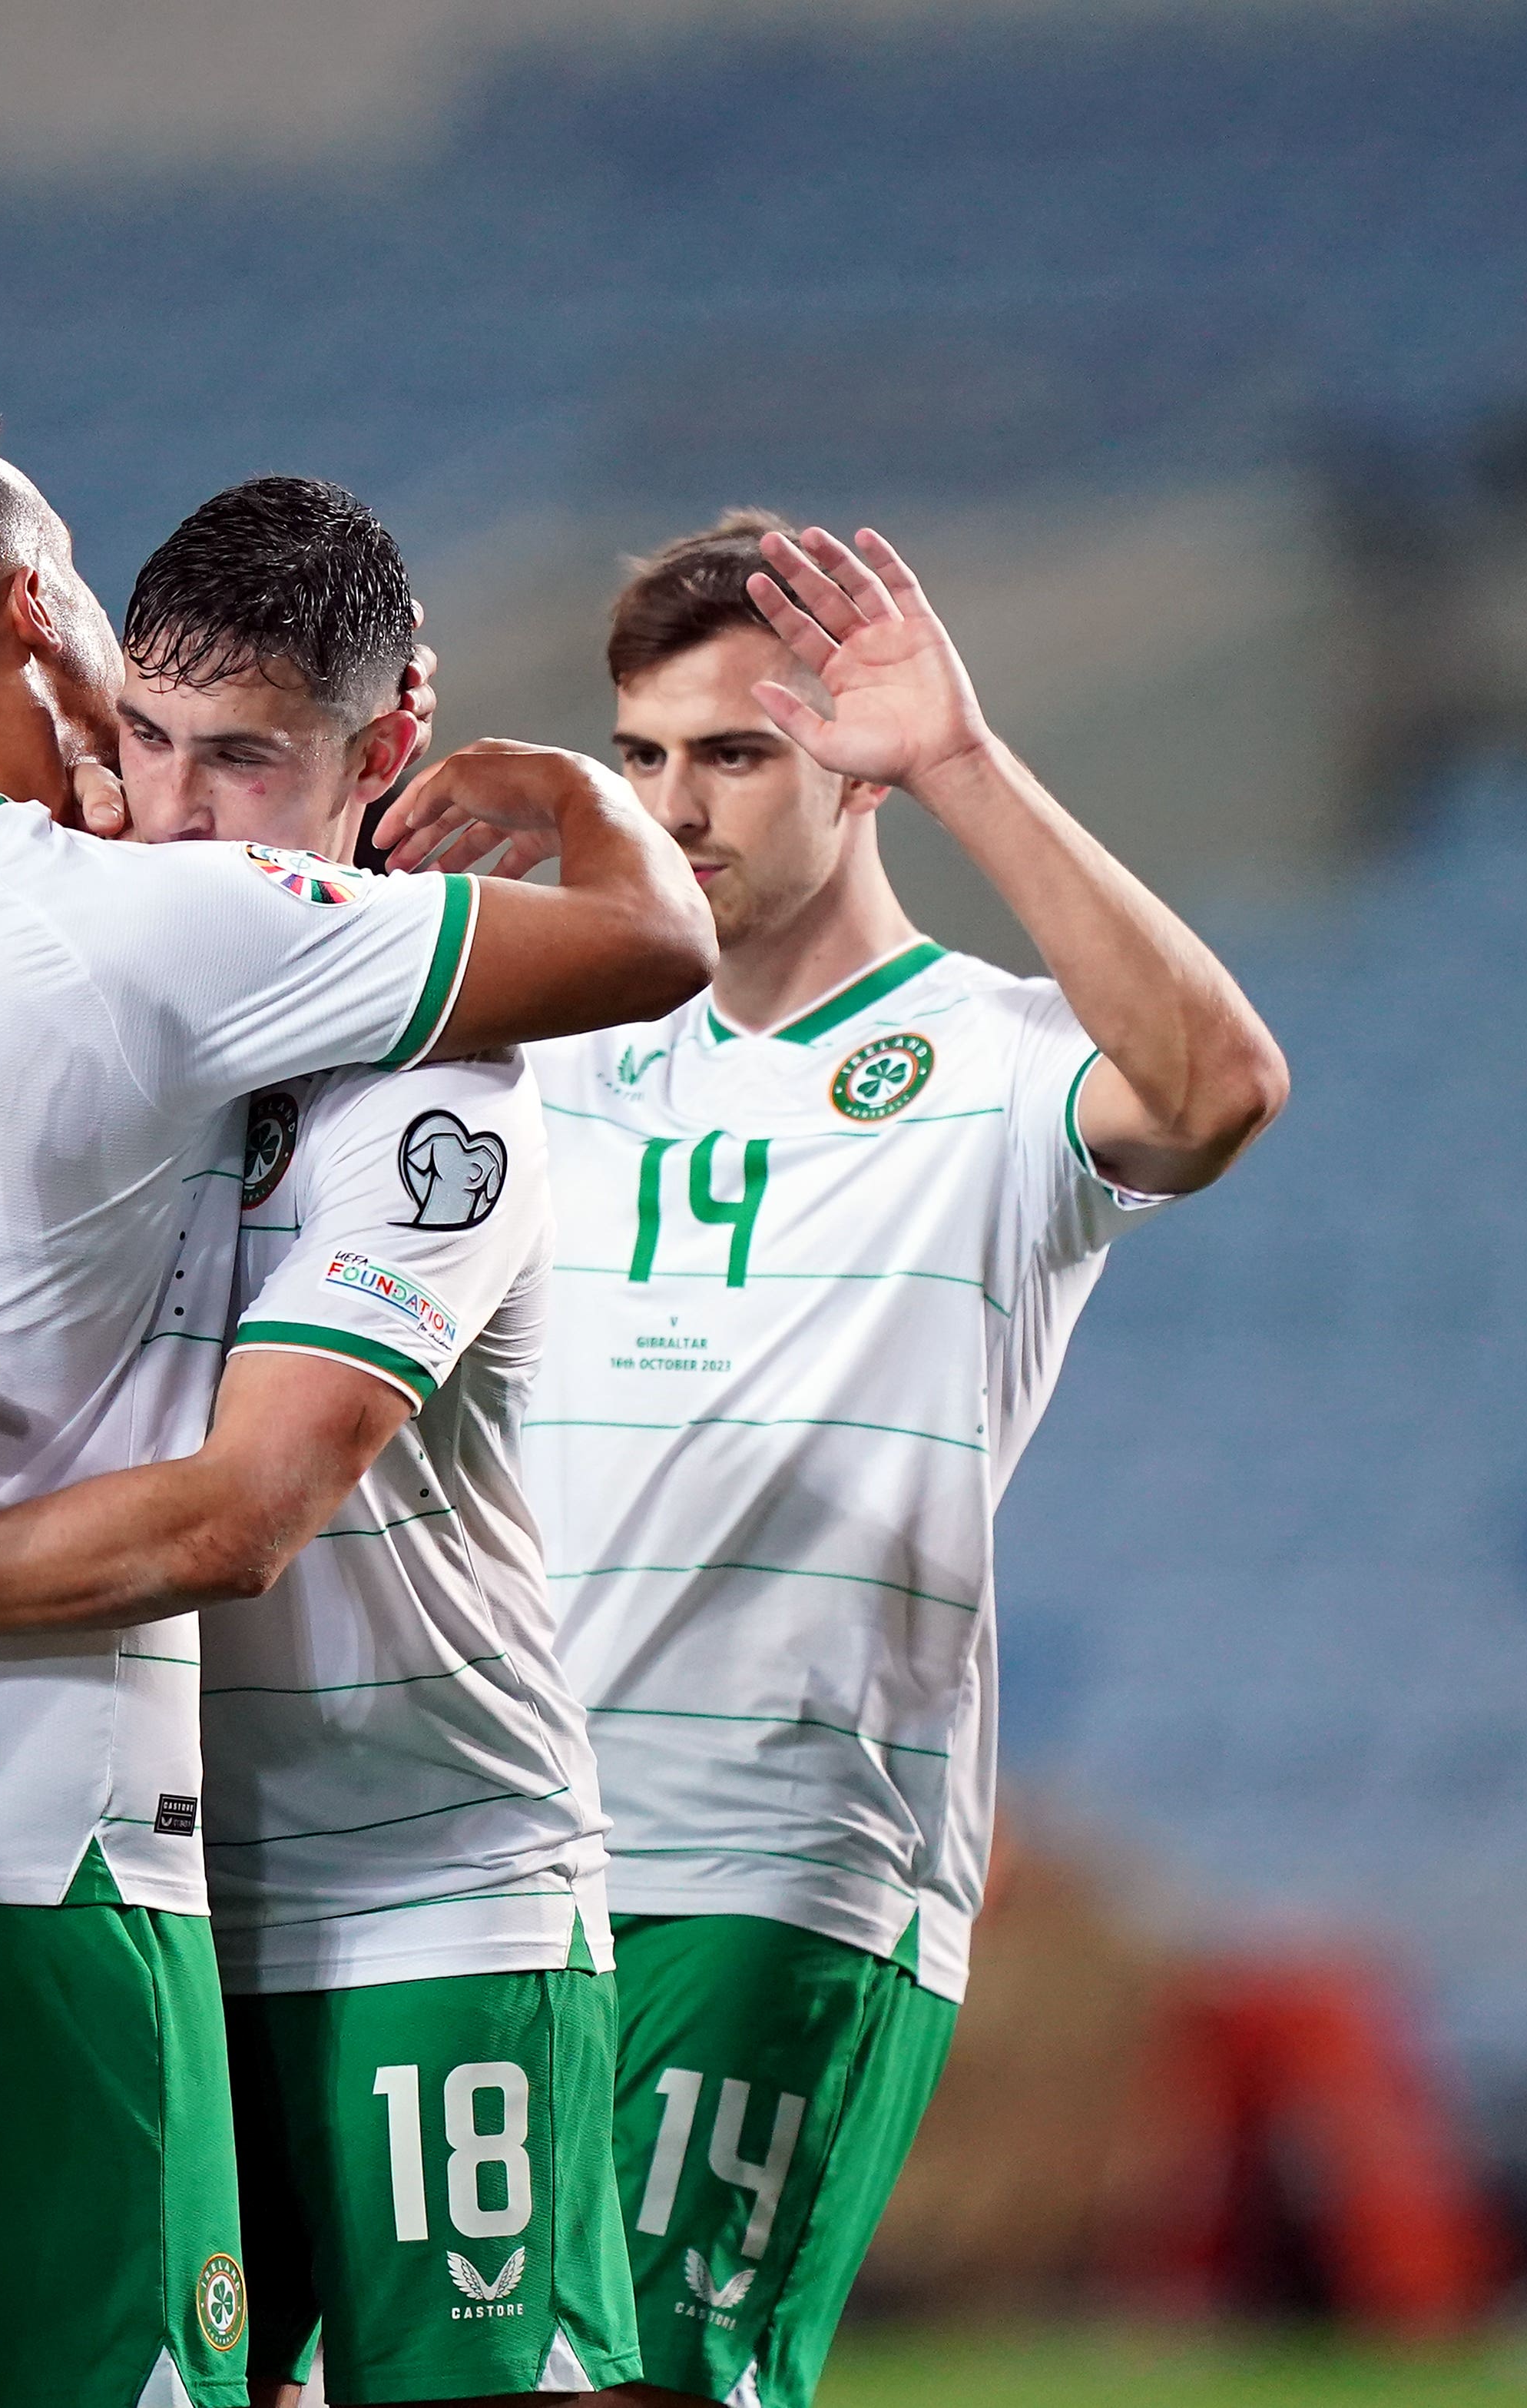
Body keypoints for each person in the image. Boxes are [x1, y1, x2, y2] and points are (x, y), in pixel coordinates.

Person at [0, 396, 714, 2408]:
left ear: (380, 756)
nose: (180, 802)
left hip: (406, 1863)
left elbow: (240, 1508)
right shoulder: (44, 952)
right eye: (150, 741)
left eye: (242, 757)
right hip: (150, 1855)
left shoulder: (422, 1076)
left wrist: (559, 780)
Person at [377, 514, 1287, 2408]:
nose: (678, 805)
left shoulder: (991, 1059)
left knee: (648, 2383)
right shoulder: (545, 1047)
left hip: (777, 1845)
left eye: (735, 754)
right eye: (642, 756)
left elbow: (1214, 1091)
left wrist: (957, 754)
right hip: (484, 1838)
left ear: (847, 772)